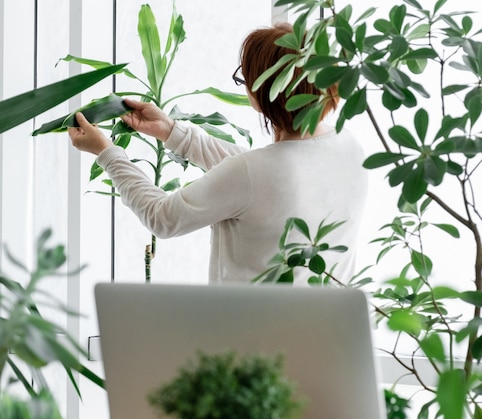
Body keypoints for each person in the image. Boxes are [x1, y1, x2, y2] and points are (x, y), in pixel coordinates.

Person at [68, 23, 367, 284]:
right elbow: (256, 178)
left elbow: (163, 218)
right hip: (327, 338)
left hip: (249, 342)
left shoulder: (256, 172)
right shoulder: (350, 149)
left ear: (264, 91)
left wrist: (106, 152)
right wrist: (172, 132)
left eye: (245, 78)